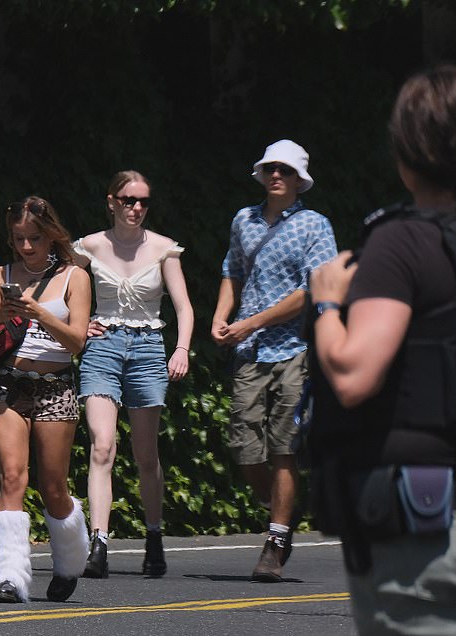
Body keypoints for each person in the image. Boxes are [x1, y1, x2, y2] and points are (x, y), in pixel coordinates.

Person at [309, 64, 456, 634]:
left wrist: (326, 304)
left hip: (423, 525)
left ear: (406, 150)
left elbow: (353, 373)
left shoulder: (403, 243)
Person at [210, 139, 337, 582]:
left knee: (284, 447)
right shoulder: (243, 220)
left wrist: (251, 322)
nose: (276, 175)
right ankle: (276, 506)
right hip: (250, 349)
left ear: (299, 179)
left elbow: (313, 290)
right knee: (245, 448)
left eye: (284, 169)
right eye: (270, 168)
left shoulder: (315, 226)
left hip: (295, 348)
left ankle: (276, 539)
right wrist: (222, 316)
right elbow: (233, 271)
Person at [0, 196, 92, 603]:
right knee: (11, 476)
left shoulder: (75, 277)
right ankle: (9, 577)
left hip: (55, 386)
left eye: (34, 238)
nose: (26, 247)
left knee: (52, 487)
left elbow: (76, 341)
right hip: (9, 384)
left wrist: (40, 313)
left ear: (52, 235)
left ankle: (70, 561)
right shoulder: (1, 275)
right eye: (19, 239)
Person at [72, 171, 194, 579]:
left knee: (145, 454)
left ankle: (154, 535)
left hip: (147, 348)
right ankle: (99, 541)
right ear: (111, 201)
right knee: (102, 446)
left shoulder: (163, 249)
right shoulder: (89, 246)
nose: (136, 207)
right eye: (128, 200)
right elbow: (61, 288)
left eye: (143, 201)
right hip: (103, 347)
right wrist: (78, 323)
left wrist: (180, 349)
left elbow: (184, 307)